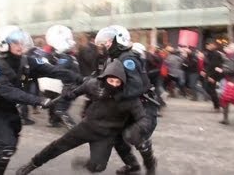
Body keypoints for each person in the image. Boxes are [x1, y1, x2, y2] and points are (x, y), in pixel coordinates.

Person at [16, 59, 150, 175]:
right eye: (111, 80)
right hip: (87, 127)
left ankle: (90, 164)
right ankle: (32, 164)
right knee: (57, 146)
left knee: (97, 167)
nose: (114, 84)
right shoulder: (93, 85)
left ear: (123, 82)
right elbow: (74, 93)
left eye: (117, 82)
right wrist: (62, 96)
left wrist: (136, 129)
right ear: (104, 79)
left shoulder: (129, 98)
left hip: (106, 135)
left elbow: (143, 118)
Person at [0, 25, 83, 175]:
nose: (19, 45)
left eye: (20, 42)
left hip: (10, 111)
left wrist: (81, 79)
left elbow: (53, 70)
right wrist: (38, 100)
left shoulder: (26, 61)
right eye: (15, 42)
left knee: (11, 145)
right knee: (6, 147)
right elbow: (8, 91)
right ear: (4, 44)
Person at [94, 25, 158, 175]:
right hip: (126, 106)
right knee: (115, 136)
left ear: (119, 41)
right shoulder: (112, 59)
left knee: (133, 135)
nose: (105, 45)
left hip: (143, 106)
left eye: (108, 42)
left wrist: (113, 95)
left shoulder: (128, 59)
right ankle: (132, 165)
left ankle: (150, 164)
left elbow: (136, 87)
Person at [43, 25, 80, 128]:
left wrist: (51, 62)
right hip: (71, 85)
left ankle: (73, 128)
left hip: (70, 86)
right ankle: (54, 121)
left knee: (60, 108)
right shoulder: (70, 56)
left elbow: (58, 69)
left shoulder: (66, 57)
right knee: (57, 105)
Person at [204, 39, 224, 112]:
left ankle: (218, 105)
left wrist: (211, 76)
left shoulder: (215, 54)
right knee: (209, 89)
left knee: (211, 90)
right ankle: (218, 103)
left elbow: (214, 66)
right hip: (209, 73)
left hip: (213, 75)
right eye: (207, 45)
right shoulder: (209, 53)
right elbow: (207, 65)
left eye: (209, 44)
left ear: (213, 45)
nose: (207, 46)